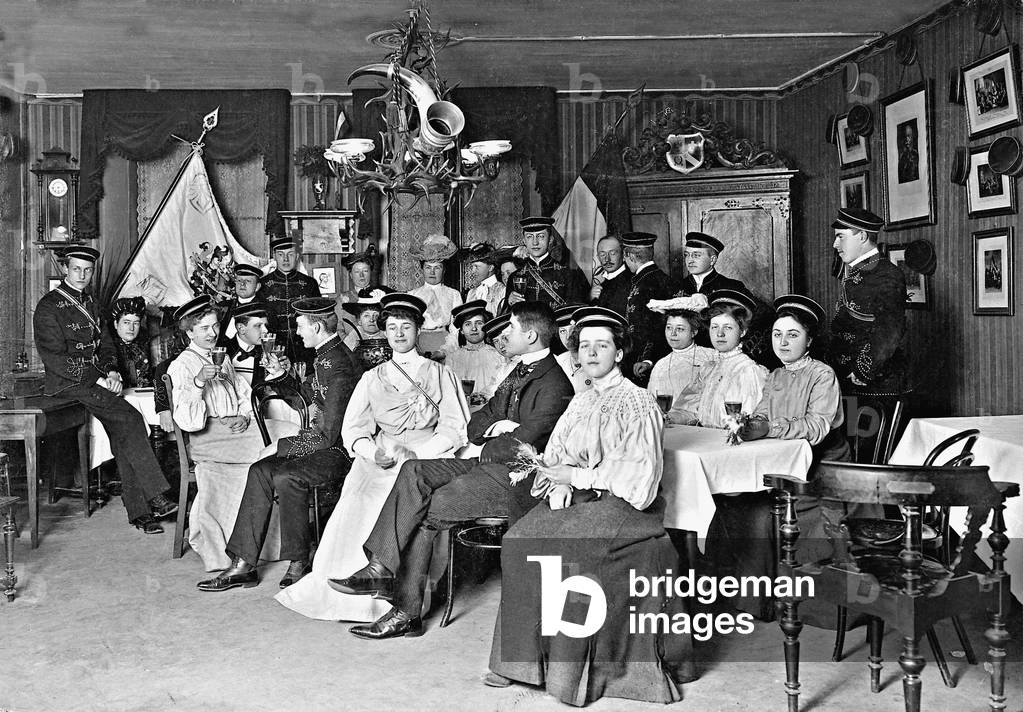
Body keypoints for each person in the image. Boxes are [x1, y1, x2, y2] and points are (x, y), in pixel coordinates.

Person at [485, 306, 696, 705]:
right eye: (585, 346)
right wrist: (556, 483)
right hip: (582, 499)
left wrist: (578, 478)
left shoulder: (639, 403)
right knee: (519, 538)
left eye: (603, 345)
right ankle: (522, 663)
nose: (592, 353)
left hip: (628, 509)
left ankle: (568, 677)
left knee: (567, 546)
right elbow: (556, 454)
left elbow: (640, 479)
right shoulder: (579, 402)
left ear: (620, 353)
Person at [330, 301, 574, 639]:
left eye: (511, 329)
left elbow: (522, 444)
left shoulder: (556, 384)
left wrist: (498, 433)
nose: (504, 335)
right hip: (487, 464)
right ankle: (379, 566)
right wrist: (498, 427)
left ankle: (404, 612)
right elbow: (476, 424)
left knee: (424, 507)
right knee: (414, 471)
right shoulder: (520, 369)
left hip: (516, 480)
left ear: (530, 335)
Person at [274, 293, 469, 618]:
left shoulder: (439, 374)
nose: (399, 334)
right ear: (385, 332)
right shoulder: (371, 378)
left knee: (398, 500)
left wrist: (417, 452)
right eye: (392, 327)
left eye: (406, 327)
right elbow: (353, 430)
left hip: (425, 457)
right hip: (379, 457)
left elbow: (454, 428)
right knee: (361, 501)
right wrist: (371, 451)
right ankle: (354, 587)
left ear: (418, 329)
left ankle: (396, 595)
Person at [198, 297, 363, 591]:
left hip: (340, 451)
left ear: (315, 326)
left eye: (300, 327)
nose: (298, 333)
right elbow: (311, 395)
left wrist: (280, 446)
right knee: (260, 470)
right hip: (322, 445)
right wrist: (282, 376)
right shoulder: (327, 355)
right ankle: (242, 564)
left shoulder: (338, 365)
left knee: (287, 474)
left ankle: (299, 559)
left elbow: (329, 436)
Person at [709, 295, 851, 620]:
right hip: (783, 468)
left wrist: (770, 427)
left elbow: (816, 428)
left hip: (822, 472)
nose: (783, 342)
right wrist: (750, 424)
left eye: (792, 335)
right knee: (736, 503)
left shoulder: (822, 375)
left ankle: (782, 602)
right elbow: (761, 415)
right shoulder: (776, 376)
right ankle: (752, 601)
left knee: (758, 510)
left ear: (810, 339)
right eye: (777, 334)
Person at [32, 246, 177, 534]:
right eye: (76, 269)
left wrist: (111, 370)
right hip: (67, 385)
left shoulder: (94, 304)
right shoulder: (48, 306)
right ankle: (155, 496)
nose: (82, 275)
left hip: (95, 381)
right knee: (131, 419)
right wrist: (97, 379)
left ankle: (141, 513)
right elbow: (55, 359)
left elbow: (108, 345)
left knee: (125, 431)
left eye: (87, 270)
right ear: (65, 269)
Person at [167, 295, 294, 571]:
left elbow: (245, 395)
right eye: (204, 329)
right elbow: (187, 421)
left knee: (290, 432)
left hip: (234, 432)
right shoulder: (182, 365)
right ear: (189, 332)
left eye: (214, 326)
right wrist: (199, 382)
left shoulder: (220, 357)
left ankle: (277, 535)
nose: (212, 333)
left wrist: (244, 415)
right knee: (287, 438)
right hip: (208, 438)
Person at [827, 207, 906, 393]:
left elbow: (890, 330)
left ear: (862, 236)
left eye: (840, 237)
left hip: (871, 381)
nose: (834, 244)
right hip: (845, 375)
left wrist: (862, 371)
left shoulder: (888, 275)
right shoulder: (860, 269)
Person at [666, 290, 767, 428]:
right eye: (714, 327)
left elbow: (748, 424)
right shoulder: (708, 368)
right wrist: (667, 417)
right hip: (705, 441)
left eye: (728, 327)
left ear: (742, 331)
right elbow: (688, 410)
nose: (719, 334)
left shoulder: (749, 371)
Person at [620, 231, 676, 385]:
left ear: (630, 256)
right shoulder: (659, 278)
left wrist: (648, 359)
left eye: (625, 257)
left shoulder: (647, 281)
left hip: (645, 363)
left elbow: (660, 326)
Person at [260, 234, 321, 368]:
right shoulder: (262, 285)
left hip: (305, 349)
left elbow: (318, 318)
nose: (286, 259)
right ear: (274, 256)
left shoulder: (310, 283)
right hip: (273, 350)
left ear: (297, 256)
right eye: (281, 254)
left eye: (291, 254)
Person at [646, 298, 715, 408]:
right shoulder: (661, 365)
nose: (672, 334)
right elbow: (652, 405)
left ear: (693, 332)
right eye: (669, 328)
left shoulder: (711, 356)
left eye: (680, 329)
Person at [506, 217, 587, 308]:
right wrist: (510, 302)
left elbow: (575, 312)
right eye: (529, 237)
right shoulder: (514, 277)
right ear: (524, 241)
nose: (535, 242)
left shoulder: (569, 274)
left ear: (550, 239)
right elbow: (505, 317)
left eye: (541, 236)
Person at [408, 234, 463, 355]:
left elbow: (455, 330)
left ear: (444, 270)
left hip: (444, 342)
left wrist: (443, 351)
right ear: (422, 269)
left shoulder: (453, 294)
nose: (432, 272)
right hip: (418, 341)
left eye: (437, 268)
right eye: (428, 267)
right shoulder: (412, 294)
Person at [444, 300, 507, 403]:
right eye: (468, 324)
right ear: (462, 331)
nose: (474, 328)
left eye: (479, 323)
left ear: (486, 327)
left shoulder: (498, 356)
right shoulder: (452, 358)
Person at [677, 232, 749, 297]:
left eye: (696, 255)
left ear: (712, 260)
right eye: (686, 255)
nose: (690, 260)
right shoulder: (677, 286)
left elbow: (757, 310)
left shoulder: (731, 287)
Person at [340, 286, 393, 370]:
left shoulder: (388, 334)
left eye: (376, 315)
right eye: (366, 315)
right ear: (359, 320)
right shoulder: (355, 334)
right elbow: (344, 356)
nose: (371, 320)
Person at [225, 302, 274, 388]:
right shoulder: (223, 351)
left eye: (265, 325)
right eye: (258, 326)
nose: (265, 330)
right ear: (241, 328)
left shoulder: (267, 353)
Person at [110, 296, 153, 388]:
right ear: (116, 324)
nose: (131, 328)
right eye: (126, 322)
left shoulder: (145, 345)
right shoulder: (108, 350)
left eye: (136, 323)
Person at [217, 263, 263, 346]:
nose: (242, 284)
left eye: (248, 281)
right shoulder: (223, 307)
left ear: (257, 287)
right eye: (239, 280)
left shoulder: (264, 310)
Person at [553, 303, 591, 393]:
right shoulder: (558, 363)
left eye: (572, 330)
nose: (567, 337)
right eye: (562, 331)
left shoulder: (600, 362)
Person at [333, 248, 377, 325]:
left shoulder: (380, 295)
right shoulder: (341, 300)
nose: (361, 275)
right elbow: (339, 329)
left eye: (365, 271)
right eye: (357, 272)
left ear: (371, 273)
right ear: (351, 275)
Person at [462, 242, 506, 317]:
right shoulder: (472, 293)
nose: (472, 271)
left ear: (491, 268)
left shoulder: (503, 291)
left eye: (476, 267)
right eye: (472, 267)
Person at [591, 234, 630, 316]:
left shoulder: (631, 281)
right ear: (598, 257)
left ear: (623, 255)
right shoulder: (603, 284)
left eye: (612, 253)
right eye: (602, 254)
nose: (607, 259)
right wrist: (590, 298)